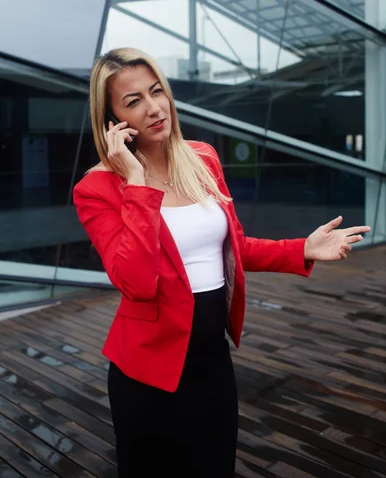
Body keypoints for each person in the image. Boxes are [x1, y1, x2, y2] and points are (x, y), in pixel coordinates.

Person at [73, 47, 371, 478]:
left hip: (212, 365)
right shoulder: (97, 189)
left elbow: (233, 248)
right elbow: (135, 281)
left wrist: (302, 249)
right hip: (147, 376)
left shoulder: (202, 158)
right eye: (134, 100)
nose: (155, 108)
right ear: (111, 120)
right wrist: (136, 182)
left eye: (157, 91)